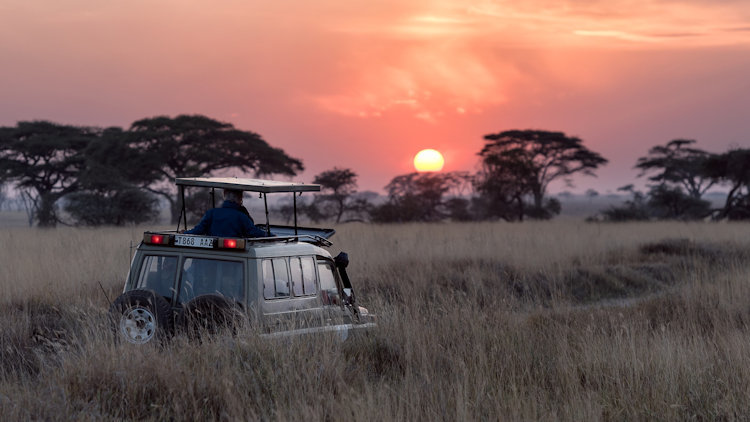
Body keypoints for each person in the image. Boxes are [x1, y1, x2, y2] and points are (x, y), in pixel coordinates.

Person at [185, 189, 271, 238]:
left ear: (224, 195)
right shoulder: (241, 216)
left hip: (213, 255)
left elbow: (198, 230)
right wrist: (270, 236)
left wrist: (185, 233)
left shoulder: (211, 213)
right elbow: (253, 231)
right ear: (240, 197)